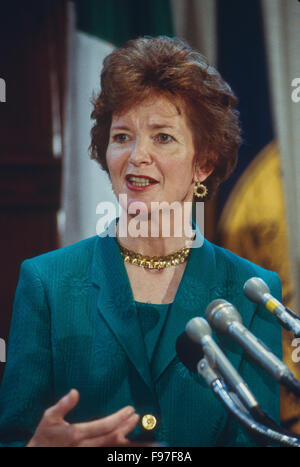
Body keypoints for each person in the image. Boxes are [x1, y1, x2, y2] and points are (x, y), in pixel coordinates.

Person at [0, 36, 282, 447]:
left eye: (162, 137)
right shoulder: (47, 282)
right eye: (122, 136)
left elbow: (261, 439)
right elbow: (12, 436)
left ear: (203, 162)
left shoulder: (252, 293)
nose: (136, 156)